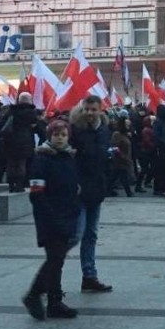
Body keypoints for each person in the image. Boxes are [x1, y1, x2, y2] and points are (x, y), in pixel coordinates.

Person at [21, 119, 80, 320]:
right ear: (49, 136)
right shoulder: (42, 159)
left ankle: (54, 302)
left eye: (63, 135)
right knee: (55, 259)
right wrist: (51, 216)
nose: (60, 138)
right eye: (56, 135)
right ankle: (34, 294)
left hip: (67, 214)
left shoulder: (68, 157)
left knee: (58, 260)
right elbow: (37, 193)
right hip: (50, 217)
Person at [70, 95, 113, 293]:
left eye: (93, 109)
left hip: (96, 189)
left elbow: (101, 158)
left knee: (91, 235)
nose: (89, 113)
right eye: (86, 109)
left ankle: (89, 275)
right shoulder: (75, 130)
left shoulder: (103, 130)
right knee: (74, 235)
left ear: (99, 110)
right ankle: (49, 274)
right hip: (79, 190)